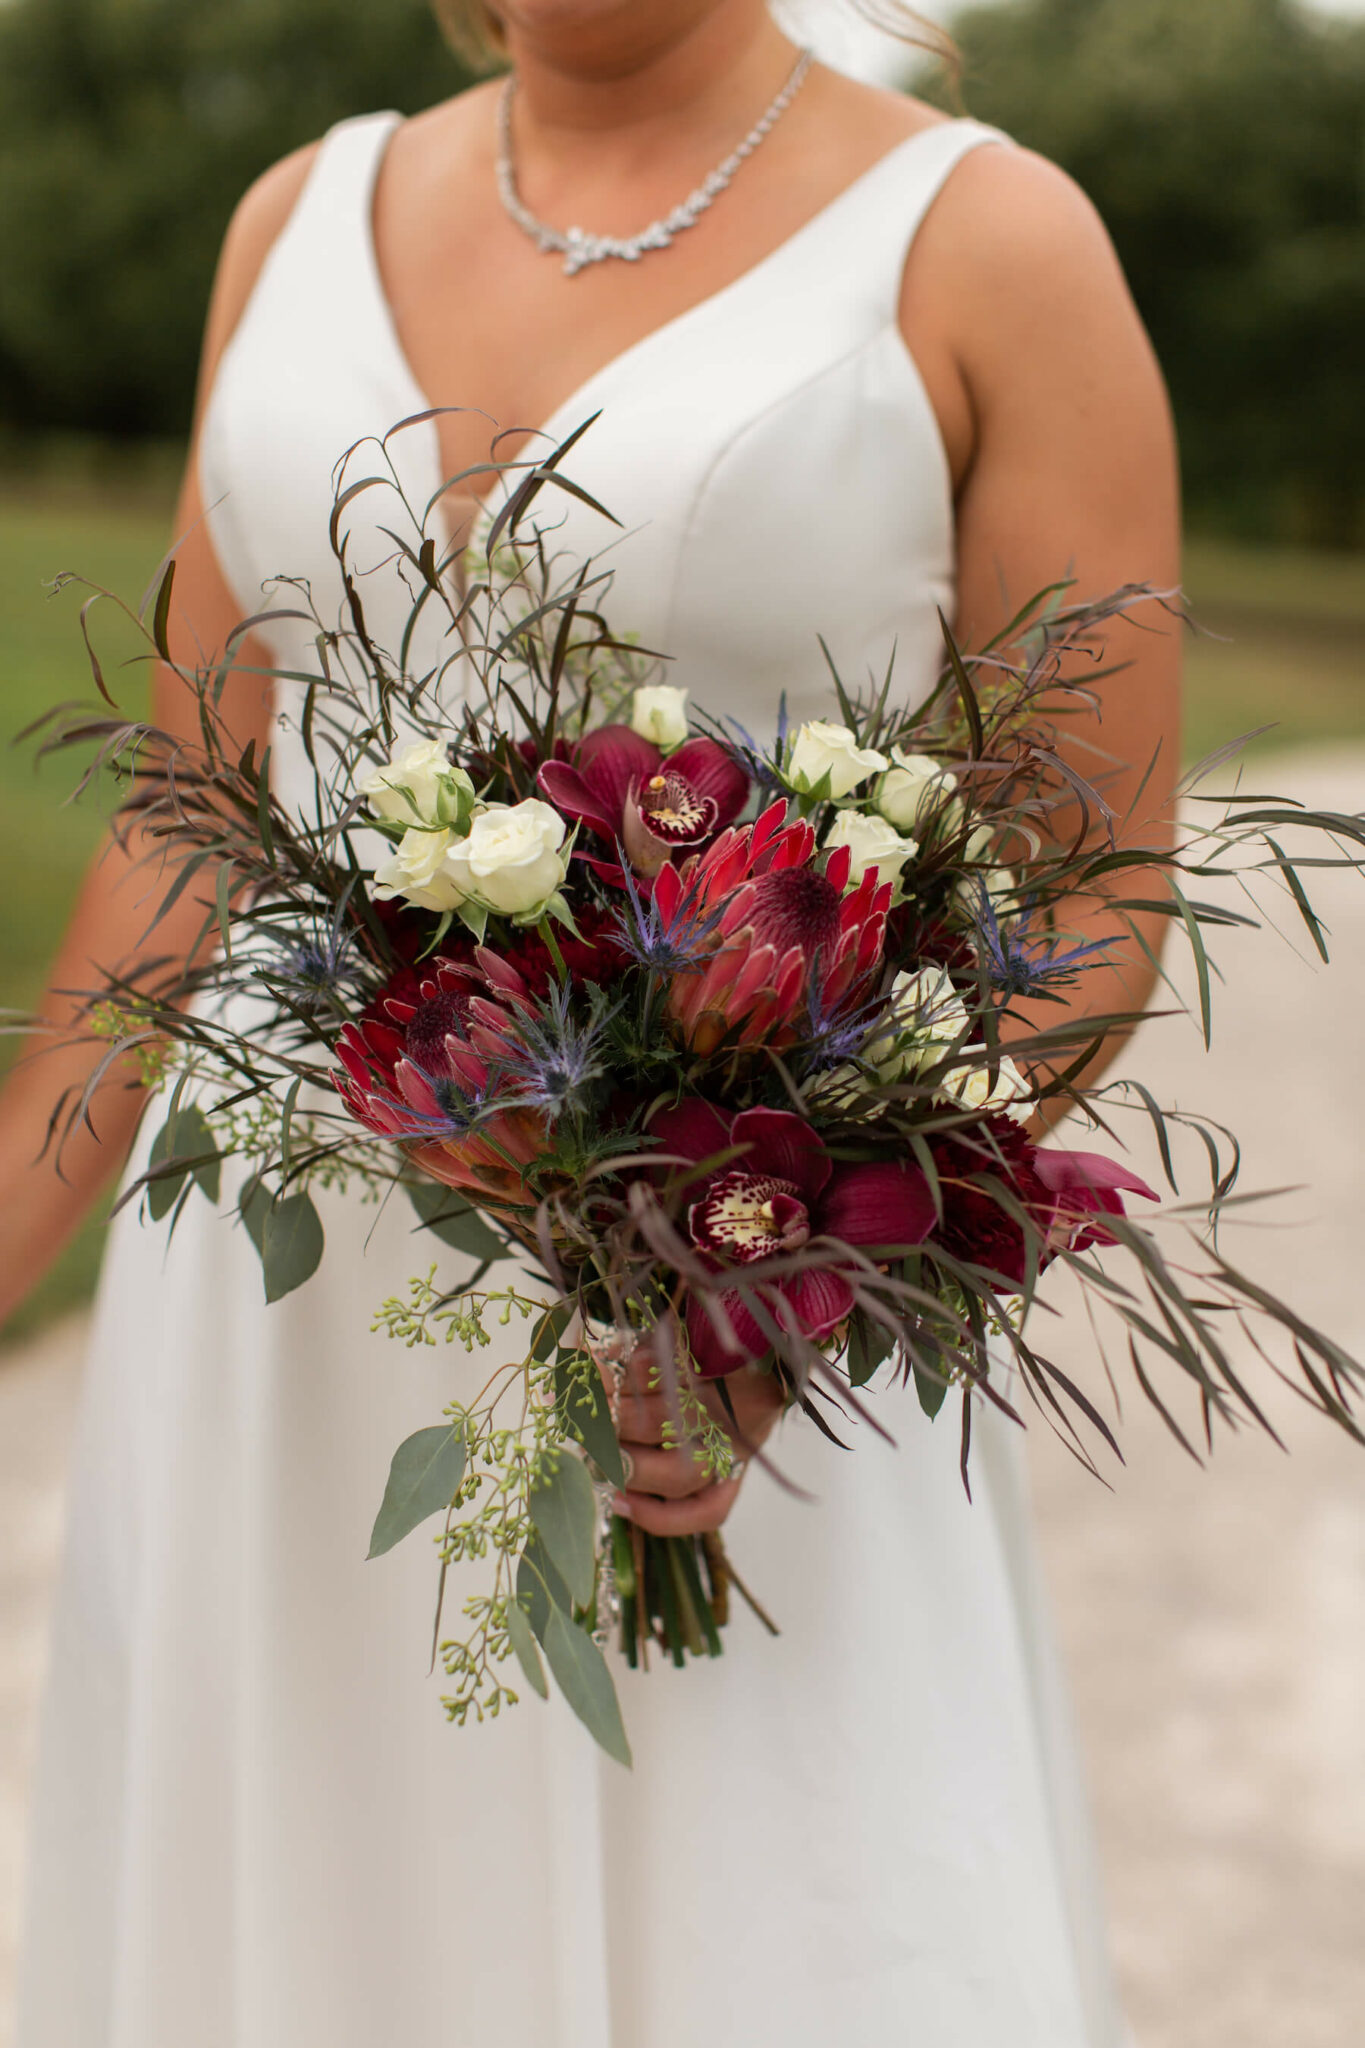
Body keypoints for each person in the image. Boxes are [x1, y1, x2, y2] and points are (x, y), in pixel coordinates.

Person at [7, 3, 1180, 2042]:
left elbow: (1090, 894)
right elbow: (191, 810)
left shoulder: (984, 242)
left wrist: (773, 1274)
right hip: (266, 1326)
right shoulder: (294, 213)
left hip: (727, 1324)